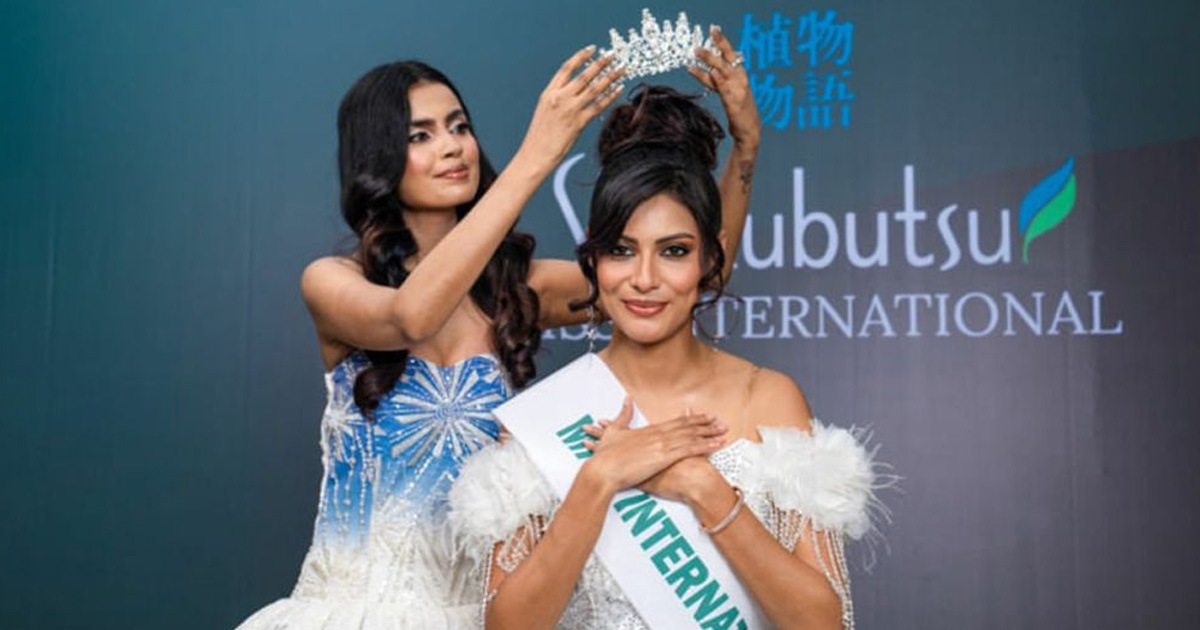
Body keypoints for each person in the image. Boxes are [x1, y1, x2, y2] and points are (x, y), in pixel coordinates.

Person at [238, 26, 761, 630]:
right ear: (376, 157)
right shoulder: (332, 281)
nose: (453, 147)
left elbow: (689, 278)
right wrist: (538, 155)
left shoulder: (518, 289)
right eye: (420, 135)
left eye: (459, 127)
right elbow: (411, 317)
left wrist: (746, 152)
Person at [449, 85, 886, 630]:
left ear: (710, 257)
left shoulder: (768, 399)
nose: (644, 279)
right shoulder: (545, 418)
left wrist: (703, 488)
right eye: (621, 250)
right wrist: (600, 478)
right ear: (593, 258)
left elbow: (826, 623)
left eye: (674, 251)